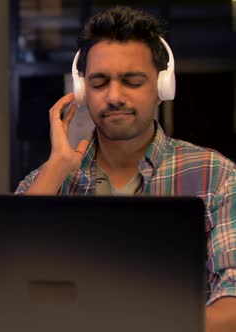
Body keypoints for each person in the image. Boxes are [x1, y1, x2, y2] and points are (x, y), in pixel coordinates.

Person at [15, 6, 236, 331]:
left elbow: (232, 303)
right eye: (99, 82)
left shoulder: (215, 175)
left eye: (132, 81)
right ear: (82, 91)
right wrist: (57, 166)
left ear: (163, 87)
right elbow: (2, 278)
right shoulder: (51, 179)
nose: (114, 96)